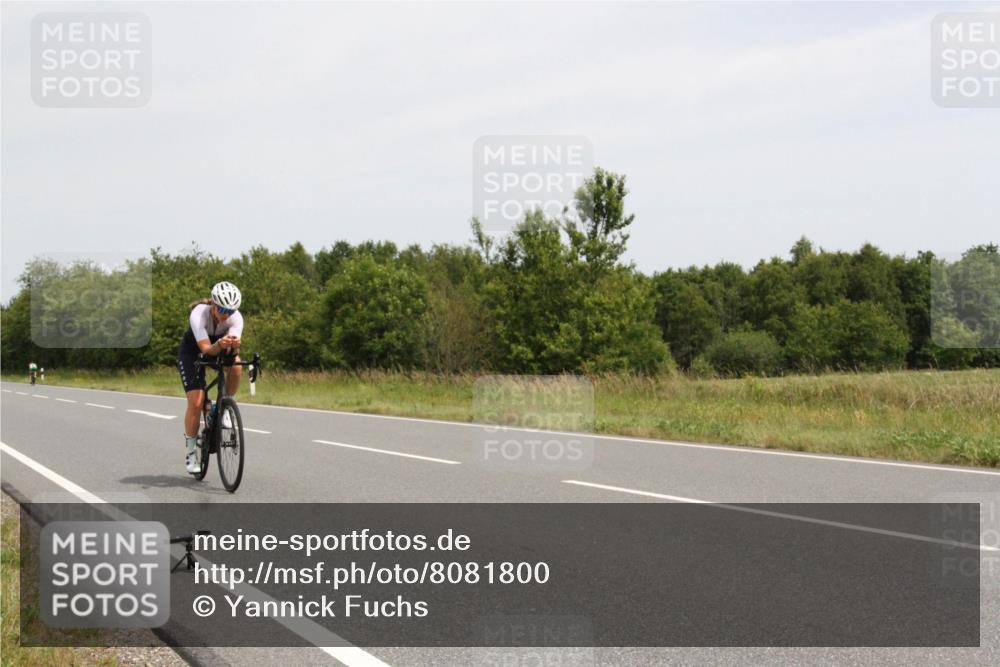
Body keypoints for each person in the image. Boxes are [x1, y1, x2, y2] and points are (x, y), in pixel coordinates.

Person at [176, 281, 244, 474]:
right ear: (214, 305)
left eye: (230, 311)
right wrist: (222, 344)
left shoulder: (236, 318)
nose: (226, 314)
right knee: (196, 403)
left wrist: (234, 346)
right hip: (193, 352)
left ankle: (224, 405)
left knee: (237, 367)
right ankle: (190, 453)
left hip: (219, 347)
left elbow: (231, 352)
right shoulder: (199, 314)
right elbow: (206, 350)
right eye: (222, 309)